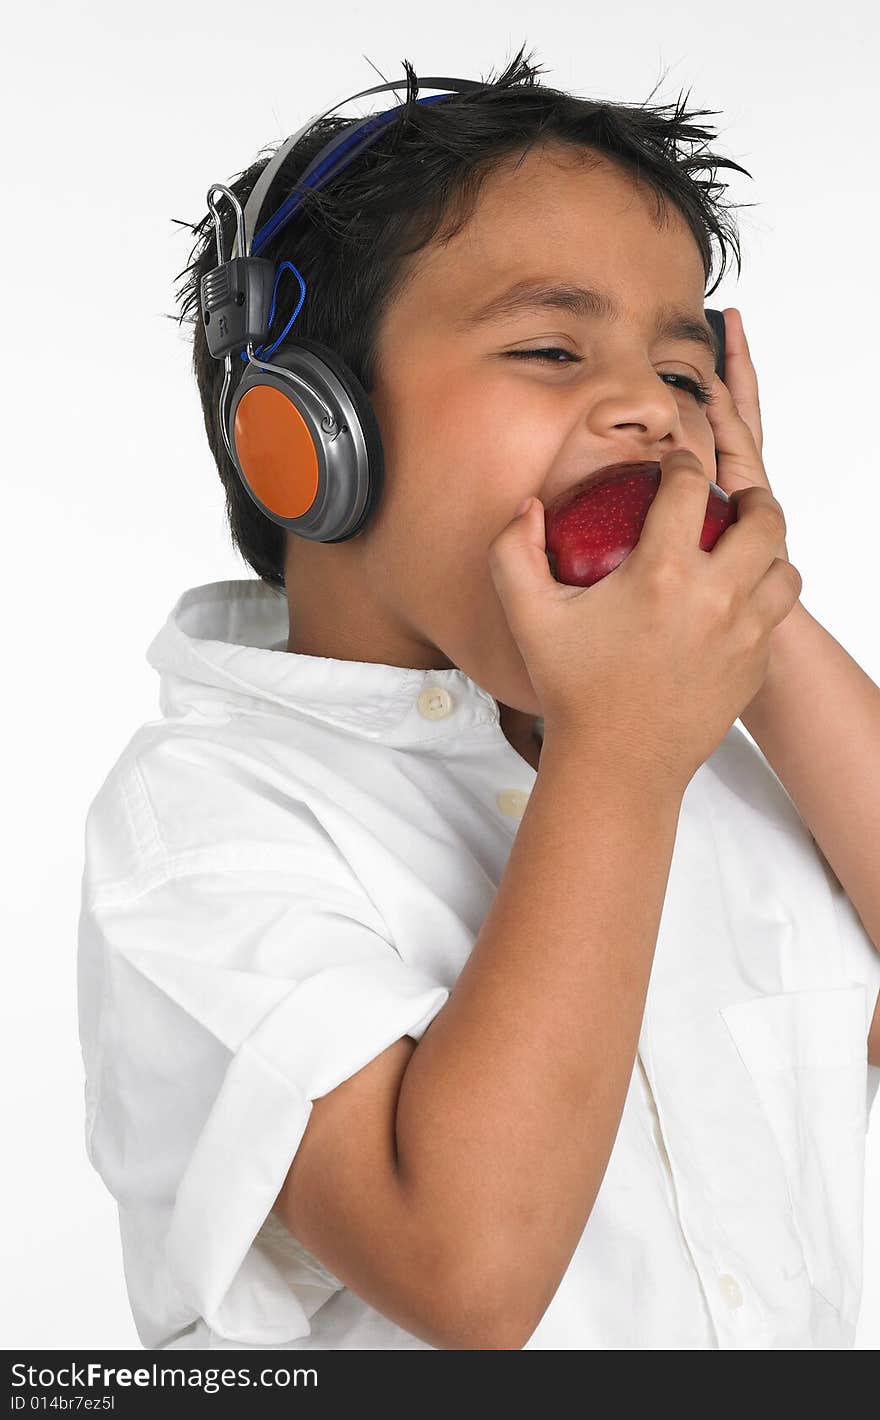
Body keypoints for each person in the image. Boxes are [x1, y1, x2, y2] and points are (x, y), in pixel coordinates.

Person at [77, 47, 880, 1349]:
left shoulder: (723, 768)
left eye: (685, 379)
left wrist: (739, 592)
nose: (648, 414)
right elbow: (467, 1272)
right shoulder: (203, 828)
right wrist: (619, 758)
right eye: (553, 347)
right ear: (312, 434)